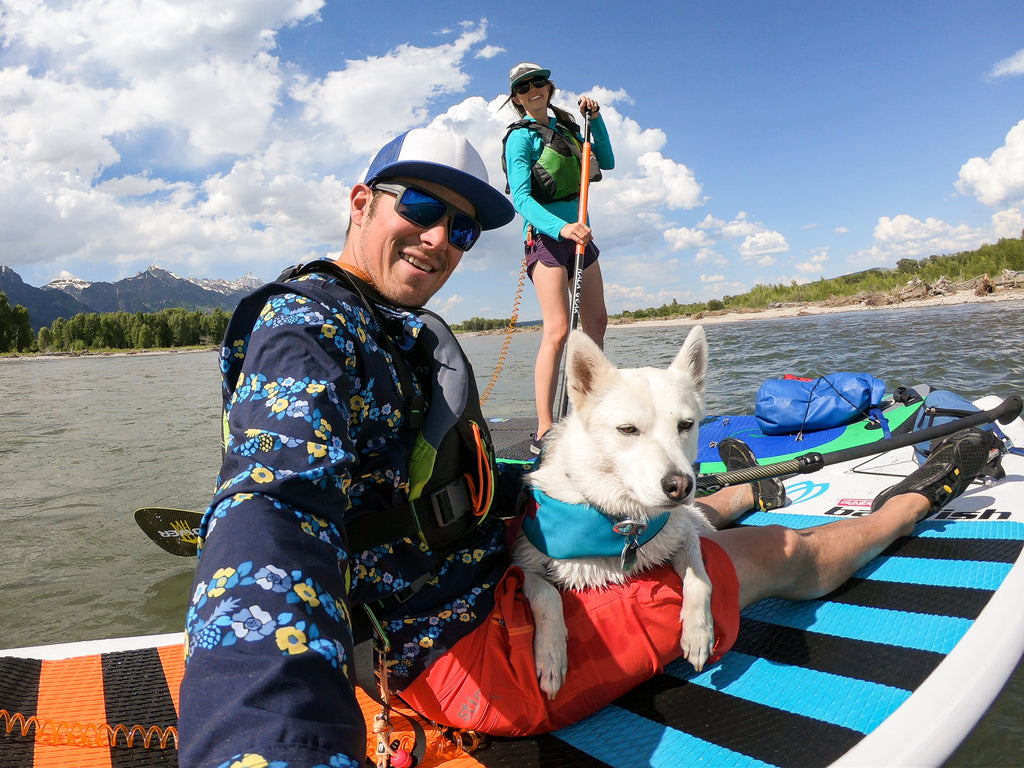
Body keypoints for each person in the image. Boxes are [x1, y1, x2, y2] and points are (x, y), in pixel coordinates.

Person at [177, 127, 1003, 768]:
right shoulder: (306, 334)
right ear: (362, 202)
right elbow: (273, 514)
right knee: (778, 556)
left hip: (488, 566)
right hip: (454, 651)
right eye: (419, 210)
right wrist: (262, 739)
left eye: (462, 229)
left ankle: (738, 489)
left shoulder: (382, 323)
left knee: (648, 508)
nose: (439, 241)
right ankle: (918, 498)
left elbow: (418, 485)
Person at [502, 62, 615, 453]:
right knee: (558, 329)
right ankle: (546, 426)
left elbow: (608, 161)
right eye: (523, 88)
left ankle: (595, 408)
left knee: (597, 321)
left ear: (548, 87)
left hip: (582, 235)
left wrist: (595, 120)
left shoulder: (569, 125)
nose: (532, 90)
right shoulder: (519, 139)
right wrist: (561, 228)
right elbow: (521, 197)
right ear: (516, 98)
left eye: (537, 83)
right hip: (548, 239)